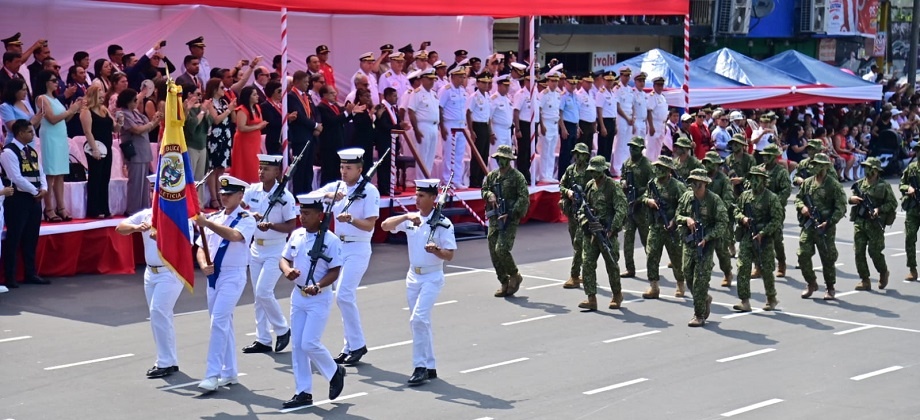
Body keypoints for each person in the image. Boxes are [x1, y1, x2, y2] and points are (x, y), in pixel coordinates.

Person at [381, 178, 457, 386]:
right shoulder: (411, 218)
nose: (417, 199)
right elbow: (385, 226)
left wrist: (436, 250)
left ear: (434, 198)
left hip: (432, 277)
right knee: (421, 322)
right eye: (416, 194)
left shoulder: (443, 223)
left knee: (418, 319)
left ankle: (419, 366)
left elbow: (449, 255)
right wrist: (406, 216)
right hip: (413, 276)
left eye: (422, 196)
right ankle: (430, 365)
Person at [279, 191, 347, 409]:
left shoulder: (331, 240)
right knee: (298, 345)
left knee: (309, 342)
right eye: (301, 212)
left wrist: (319, 285)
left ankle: (334, 371)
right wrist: (287, 270)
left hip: (319, 297)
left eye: (307, 213)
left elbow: (335, 270)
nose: (302, 217)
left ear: (320, 215)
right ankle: (303, 391)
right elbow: (284, 258)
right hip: (298, 295)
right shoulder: (297, 235)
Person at [116, 175, 185, 378]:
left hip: (170, 271)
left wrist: (163, 236)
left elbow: (185, 244)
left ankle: (164, 362)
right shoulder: (146, 215)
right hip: (150, 272)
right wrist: (137, 228)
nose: (154, 194)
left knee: (158, 312)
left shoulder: (178, 215)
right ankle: (169, 360)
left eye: (158, 189)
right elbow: (119, 228)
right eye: (152, 189)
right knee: (161, 316)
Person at [316, 148, 380, 365]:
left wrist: (351, 219)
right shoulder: (338, 187)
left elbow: (370, 224)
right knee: (343, 298)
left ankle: (358, 344)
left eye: (348, 168)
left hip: (358, 248)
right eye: (342, 167)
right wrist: (329, 195)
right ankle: (349, 346)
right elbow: (308, 197)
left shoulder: (369, 191)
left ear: (360, 169)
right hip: (338, 248)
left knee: (343, 295)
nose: (343, 172)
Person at [195, 175, 256, 392]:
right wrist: (203, 264)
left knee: (218, 321)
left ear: (241, 196)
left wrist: (207, 223)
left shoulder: (247, 218)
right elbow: (201, 246)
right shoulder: (216, 217)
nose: (224, 198)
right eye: (222, 194)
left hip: (233, 275)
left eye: (229, 195)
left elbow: (234, 236)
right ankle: (230, 372)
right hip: (214, 276)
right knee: (224, 323)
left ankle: (213, 374)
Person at [238, 155, 296, 354]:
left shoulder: (285, 197)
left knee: (264, 291)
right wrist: (248, 214)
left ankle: (282, 328)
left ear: (277, 172)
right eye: (260, 168)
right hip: (256, 248)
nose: (261, 172)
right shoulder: (252, 191)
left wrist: (271, 225)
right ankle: (262, 338)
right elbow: (239, 208)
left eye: (267, 169)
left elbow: (291, 225)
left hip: (276, 249)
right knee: (258, 295)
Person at [676, 168, 728, 327]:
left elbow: (722, 223)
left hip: (705, 245)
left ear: (705, 183)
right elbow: (678, 215)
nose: (694, 184)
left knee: (700, 279)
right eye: (692, 181)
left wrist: (707, 237)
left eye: (698, 182)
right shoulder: (686, 197)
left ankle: (699, 315)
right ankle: (704, 298)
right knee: (688, 275)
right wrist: (686, 220)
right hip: (688, 242)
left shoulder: (714, 200)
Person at [0, 119, 49, 288]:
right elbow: (15, 177)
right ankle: (10, 277)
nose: (33, 134)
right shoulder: (8, 152)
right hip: (18, 199)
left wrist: (43, 188)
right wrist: (35, 191)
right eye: (30, 132)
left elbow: (41, 171)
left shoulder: (32, 151)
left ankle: (30, 273)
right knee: (15, 237)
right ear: (20, 133)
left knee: (31, 238)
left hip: (34, 199)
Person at [577, 156, 627, 311]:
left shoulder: (612, 187)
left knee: (612, 264)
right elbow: (581, 209)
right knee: (587, 264)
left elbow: (621, 208)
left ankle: (617, 295)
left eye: (596, 171)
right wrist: (586, 221)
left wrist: (612, 228)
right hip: (591, 233)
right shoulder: (589, 186)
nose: (593, 174)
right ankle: (591, 297)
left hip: (607, 233)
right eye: (592, 171)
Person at [795, 153, 847, 301]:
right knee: (803, 254)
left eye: (818, 164)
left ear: (825, 166)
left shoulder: (833, 184)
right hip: (808, 225)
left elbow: (841, 206)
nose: (815, 166)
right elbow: (798, 198)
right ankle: (811, 283)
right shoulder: (808, 182)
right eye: (814, 163)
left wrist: (830, 221)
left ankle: (830, 287)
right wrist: (802, 207)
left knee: (827, 257)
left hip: (825, 227)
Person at [732, 166, 783, 312]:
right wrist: (743, 218)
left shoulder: (771, 198)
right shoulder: (745, 196)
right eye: (752, 178)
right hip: (748, 236)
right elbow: (736, 210)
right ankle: (745, 301)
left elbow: (777, 219)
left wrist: (763, 232)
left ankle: (771, 298)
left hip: (764, 238)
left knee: (766, 269)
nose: (754, 181)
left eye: (757, 178)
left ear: (763, 180)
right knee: (743, 267)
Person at [482, 145, 530, 297]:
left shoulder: (517, 177)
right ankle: (504, 281)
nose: (501, 161)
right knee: (493, 252)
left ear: (509, 160)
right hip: (494, 217)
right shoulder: (492, 176)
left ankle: (515, 275)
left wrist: (510, 213)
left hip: (509, 218)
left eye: (504, 158)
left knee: (501, 249)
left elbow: (523, 198)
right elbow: (484, 190)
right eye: (499, 158)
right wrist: (489, 195)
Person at [35, 70, 80, 222]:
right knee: (50, 174)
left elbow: (63, 120)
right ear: (46, 82)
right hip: (50, 137)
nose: (56, 83)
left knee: (60, 173)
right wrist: (70, 110)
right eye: (53, 80)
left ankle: (61, 207)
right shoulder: (42, 98)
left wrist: (73, 111)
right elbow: (52, 119)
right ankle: (49, 208)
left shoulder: (55, 99)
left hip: (60, 136)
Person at [641, 156, 687, 299]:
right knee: (652, 255)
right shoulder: (652, 183)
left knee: (676, 258)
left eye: (661, 168)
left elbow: (685, 205)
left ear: (668, 170)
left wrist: (674, 220)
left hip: (672, 228)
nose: (658, 170)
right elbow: (644, 196)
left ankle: (680, 282)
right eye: (657, 167)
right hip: (656, 226)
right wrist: (649, 201)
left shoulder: (677, 186)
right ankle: (654, 286)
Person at [849, 157, 897, 290]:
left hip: (875, 224)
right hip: (860, 222)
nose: (866, 170)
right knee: (858, 252)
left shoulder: (884, 186)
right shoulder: (859, 184)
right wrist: (852, 199)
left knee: (874, 252)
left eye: (869, 167)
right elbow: (851, 199)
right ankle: (865, 279)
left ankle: (883, 272)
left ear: (876, 170)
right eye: (865, 167)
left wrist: (879, 209)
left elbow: (892, 203)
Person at [81, 84, 120, 219]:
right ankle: (94, 209)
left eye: (103, 96)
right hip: (95, 147)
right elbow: (88, 132)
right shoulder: (86, 111)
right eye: (100, 96)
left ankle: (105, 208)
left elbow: (115, 129)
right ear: (93, 96)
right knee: (95, 178)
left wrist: (119, 122)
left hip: (107, 147)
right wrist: (95, 149)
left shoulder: (104, 110)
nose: (102, 98)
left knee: (105, 178)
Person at [121, 89, 161, 215]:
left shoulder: (136, 113)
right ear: (127, 101)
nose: (136, 103)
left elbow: (148, 127)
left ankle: (144, 209)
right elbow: (137, 130)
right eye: (134, 100)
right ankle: (132, 210)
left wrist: (156, 120)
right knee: (135, 183)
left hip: (143, 151)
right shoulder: (124, 114)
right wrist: (152, 123)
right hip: (134, 152)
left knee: (144, 185)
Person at [619, 136, 654, 278]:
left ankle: (652, 267)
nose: (632, 150)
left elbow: (652, 186)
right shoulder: (626, 163)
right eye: (631, 147)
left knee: (647, 240)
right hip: (629, 205)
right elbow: (621, 177)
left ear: (641, 149)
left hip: (642, 207)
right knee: (628, 238)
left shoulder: (647, 165)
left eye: (635, 147)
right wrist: (623, 183)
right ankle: (629, 268)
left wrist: (640, 198)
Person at [757, 144, 792, 278]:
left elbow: (786, 190)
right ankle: (758, 266)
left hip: (775, 210)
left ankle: (781, 263)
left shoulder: (781, 172)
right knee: (757, 237)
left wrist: (774, 202)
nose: (765, 158)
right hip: (759, 210)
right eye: (764, 155)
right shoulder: (759, 170)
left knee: (776, 238)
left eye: (768, 156)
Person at [559, 143, 591, 289]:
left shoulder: (591, 171)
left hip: (586, 211)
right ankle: (585, 271)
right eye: (576, 154)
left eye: (581, 154)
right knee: (576, 242)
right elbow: (562, 185)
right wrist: (568, 193)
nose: (578, 157)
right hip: (572, 211)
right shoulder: (570, 170)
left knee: (580, 243)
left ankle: (575, 275)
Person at [702, 152, 735, 287]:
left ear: (717, 165)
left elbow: (728, 198)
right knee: (704, 252)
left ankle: (727, 272)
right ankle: (704, 278)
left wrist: (719, 211)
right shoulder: (701, 177)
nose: (708, 165)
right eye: (706, 162)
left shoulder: (723, 179)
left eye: (711, 163)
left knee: (722, 252)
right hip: (703, 219)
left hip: (718, 219)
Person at [316, 86, 360, 185]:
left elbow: (342, 119)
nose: (335, 95)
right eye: (332, 93)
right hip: (328, 143)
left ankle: (337, 190)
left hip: (338, 141)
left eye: (335, 92)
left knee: (337, 169)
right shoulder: (321, 107)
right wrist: (346, 112)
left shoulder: (335, 105)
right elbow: (332, 121)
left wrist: (352, 113)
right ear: (324, 95)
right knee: (329, 170)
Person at [287, 71, 322, 194]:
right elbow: (300, 116)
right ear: (296, 82)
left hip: (311, 136)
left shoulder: (307, 96)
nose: (308, 84)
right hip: (300, 136)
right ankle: (299, 194)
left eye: (308, 82)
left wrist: (318, 125)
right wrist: (315, 125)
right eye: (305, 82)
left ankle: (308, 192)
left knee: (309, 167)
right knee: (300, 168)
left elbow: (315, 112)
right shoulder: (291, 96)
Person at [205, 78, 237, 209]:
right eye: (221, 88)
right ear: (214, 89)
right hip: (214, 138)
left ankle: (220, 194)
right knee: (213, 168)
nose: (224, 90)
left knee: (222, 168)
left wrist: (233, 108)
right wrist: (228, 110)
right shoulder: (209, 103)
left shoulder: (224, 101)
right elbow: (216, 120)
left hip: (225, 137)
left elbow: (233, 119)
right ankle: (214, 198)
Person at [439, 66, 470, 187]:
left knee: (459, 154)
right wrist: (442, 126)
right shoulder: (446, 90)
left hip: (461, 124)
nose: (462, 79)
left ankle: (456, 179)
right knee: (449, 154)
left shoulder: (462, 90)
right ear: (453, 76)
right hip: (450, 124)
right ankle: (447, 180)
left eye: (463, 77)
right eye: (460, 77)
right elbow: (440, 107)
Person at [407, 69, 440, 180]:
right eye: (429, 79)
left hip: (434, 126)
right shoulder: (417, 93)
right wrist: (416, 130)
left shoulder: (434, 94)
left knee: (431, 155)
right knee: (422, 155)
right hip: (423, 126)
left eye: (433, 79)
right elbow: (411, 111)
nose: (432, 82)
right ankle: (421, 181)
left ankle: (427, 179)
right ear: (423, 79)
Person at [512, 74, 540, 184]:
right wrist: (517, 129)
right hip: (524, 124)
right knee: (523, 152)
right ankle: (521, 175)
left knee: (530, 151)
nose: (533, 83)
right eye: (531, 80)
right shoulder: (521, 94)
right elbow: (516, 112)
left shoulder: (535, 93)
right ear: (526, 81)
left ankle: (527, 173)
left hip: (534, 125)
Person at [467, 72, 493, 188]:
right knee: (477, 154)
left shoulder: (488, 96)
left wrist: (490, 130)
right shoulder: (474, 97)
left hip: (485, 126)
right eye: (483, 82)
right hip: (477, 125)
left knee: (484, 154)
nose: (486, 85)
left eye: (487, 83)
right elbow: (468, 113)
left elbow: (488, 116)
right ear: (477, 83)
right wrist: (471, 130)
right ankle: (474, 180)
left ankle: (481, 179)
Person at [374, 87, 401, 194]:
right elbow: (383, 125)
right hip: (384, 141)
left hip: (393, 141)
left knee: (391, 165)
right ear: (388, 96)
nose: (396, 98)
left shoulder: (393, 108)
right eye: (394, 96)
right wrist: (399, 125)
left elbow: (395, 122)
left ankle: (390, 186)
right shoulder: (381, 107)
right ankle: (384, 188)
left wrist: (401, 125)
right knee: (384, 165)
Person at [0, 79, 41, 146]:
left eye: (26, 90)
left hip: (31, 141)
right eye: (23, 90)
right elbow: (13, 128)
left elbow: (34, 127)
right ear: (15, 91)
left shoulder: (26, 103)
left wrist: (39, 118)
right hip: (16, 144)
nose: (26, 92)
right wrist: (31, 122)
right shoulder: (5, 106)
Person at [902, 143, 920, 281]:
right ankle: (912, 269)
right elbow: (902, 183)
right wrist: (908, 188)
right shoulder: (912, 168)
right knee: (909, 239)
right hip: (913, 209)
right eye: (917, 151)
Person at [488, 75, 514, 170]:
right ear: (499, 85)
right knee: (497, 154)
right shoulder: (494, 99)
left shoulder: (507, 99)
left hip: (507, 130)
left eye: (508, 86)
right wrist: (491, 133)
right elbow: (489, 117)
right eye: (505, 85)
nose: (507, 88)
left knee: (507, 154)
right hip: (497, 129)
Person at [595, 71, 618, 165]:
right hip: (604, 121)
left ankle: (606, 167)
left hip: (612, 121)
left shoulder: (612, 93)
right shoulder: (601, 93)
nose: (610, 83)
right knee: (603, 147)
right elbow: (599, 110)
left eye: (611, 81)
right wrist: (602, 126)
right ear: (603, 80)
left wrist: (615, 125)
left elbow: (613, 111)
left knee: (609, 147)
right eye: (608, 80)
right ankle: (599, 168)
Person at [559, 75, 579, 170]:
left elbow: (576, 113)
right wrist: (563, 128)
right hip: (566, 124)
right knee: (565, 152)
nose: (573, 86)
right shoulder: (563, 96)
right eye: (571, 83)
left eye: (575, 83)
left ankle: (570, 173)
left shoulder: (576, 96)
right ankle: (562, 174)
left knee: (573, 151)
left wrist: (578, 127)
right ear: (566, 83)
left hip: (574, 125)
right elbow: (560, 113)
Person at [646, 77, 669, 161]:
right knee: (651, 147)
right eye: (658, 85)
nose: (660, 87)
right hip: (654, 123)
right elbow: (649, 112)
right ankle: (649, 164)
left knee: (658, 147)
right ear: (654, 85)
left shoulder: (662, 97)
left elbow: (664, 113)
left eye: (661, 85)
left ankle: (656, 164)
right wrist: (651, 126)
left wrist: (665, 125)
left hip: (662, 124)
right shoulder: (652, 96)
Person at [576, 75, 597, 153]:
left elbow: (592, 109)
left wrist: (594, 122)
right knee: (582, 146)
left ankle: (587, 163)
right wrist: (577, 126)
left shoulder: (591, 94)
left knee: (589, 146)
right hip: (583, 123)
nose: (590, 84)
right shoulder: (579, 94)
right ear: (582, 82)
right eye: (588, 82)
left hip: (591, 123)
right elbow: (577, 111)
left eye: (591, 82)